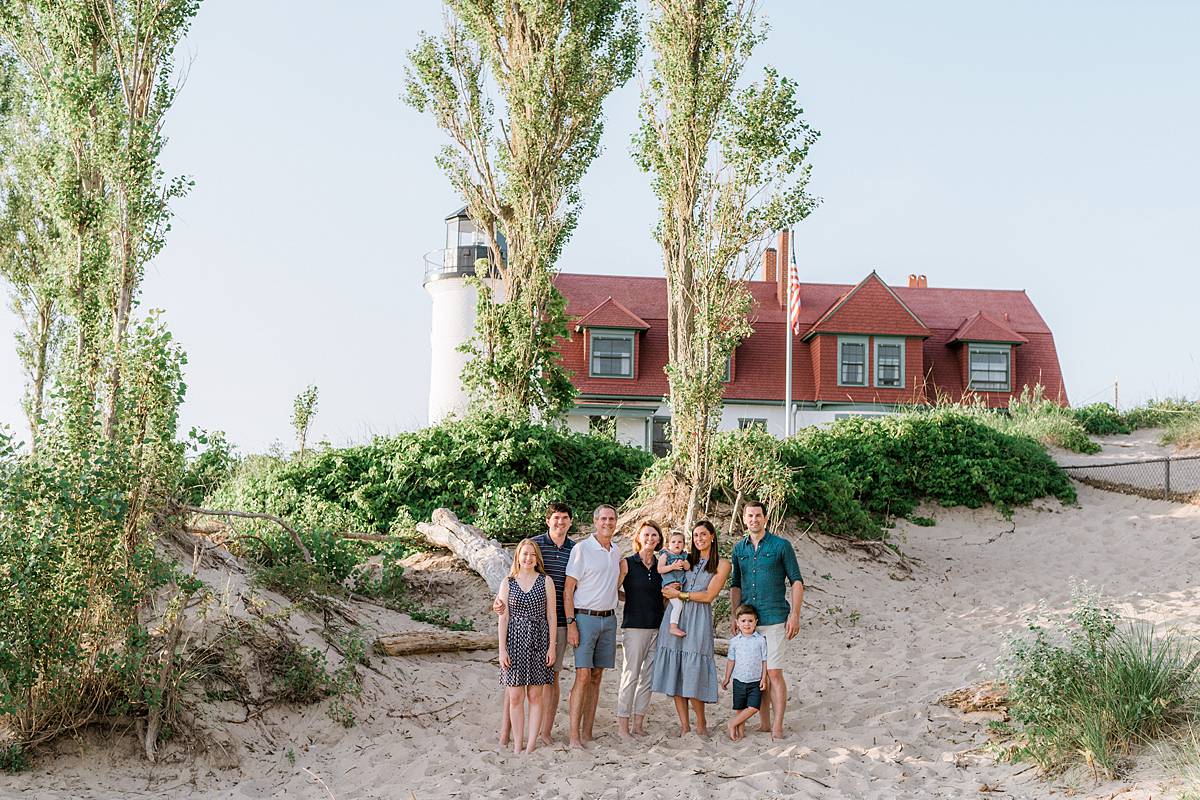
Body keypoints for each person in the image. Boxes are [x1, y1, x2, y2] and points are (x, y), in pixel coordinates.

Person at [495, 502, 575, 747]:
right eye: (555, 518)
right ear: (548, 520)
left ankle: (543, 733)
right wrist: (498, 604)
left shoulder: (576, 549)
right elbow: (505, 605)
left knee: (548, 681)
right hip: (518, 630)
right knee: (514, 688)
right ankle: (506, 734)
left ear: (570, 521)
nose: (560, 522)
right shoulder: (536, 544)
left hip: (553, 624)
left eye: (564, 518)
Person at [728, 499, 804, 740]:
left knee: (773, 673)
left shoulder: (781, 546)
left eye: (758, 515)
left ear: (765, 518)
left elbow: (796, 581)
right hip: (748, 622)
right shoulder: (739, 549)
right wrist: (734, 615)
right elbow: (735, 585)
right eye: (749, 516)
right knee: (753, 675)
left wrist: (795, 614)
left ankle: (778, 726)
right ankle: (763, 723)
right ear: (743, 519)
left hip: (773, 618)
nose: (754, 519)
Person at [651, 519, 731, 737]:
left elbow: (708, 595)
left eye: (703, 534)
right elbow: (667, 578)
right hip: (675, 616)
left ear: (712, 536)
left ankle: (701, 723)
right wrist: (669, 591)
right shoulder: (686, 560)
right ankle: (685, 725)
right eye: (695, 535)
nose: (699, 539)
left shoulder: (722, 564)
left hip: (698, 618)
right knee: (676, 670)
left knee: (693, 669)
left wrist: (680, 594)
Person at [563, 504, 623, 748]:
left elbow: (613, 587)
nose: (608, 523)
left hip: (609, 619)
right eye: (603, 519)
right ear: (595, 521)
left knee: (597, 676)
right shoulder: (582, 549)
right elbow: (568, 590)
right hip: (584, 618)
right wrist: (571, 624)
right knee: (583, 675)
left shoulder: (616, 551)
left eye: (612, 519)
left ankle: (588, 732)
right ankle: (574, 736)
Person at [497, 539, 556, 754]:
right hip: (514, 640)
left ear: (537, 558)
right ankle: (517, 745)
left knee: (535, 696)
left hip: (539, 640)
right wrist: (502, 649)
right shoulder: (507, 582)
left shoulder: (545, 581)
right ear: (518, 557)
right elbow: (503, 618)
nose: (528, 558)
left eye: (532, 554)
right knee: (515, 697)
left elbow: (551, 615)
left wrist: (552, 647)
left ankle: (531, 745)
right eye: (524, 554)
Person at [615, 520, 664, 739]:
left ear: (659, 539)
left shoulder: (662, 565)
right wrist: (630, 599)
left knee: (648, 679)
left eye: (654, 535)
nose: (650, 539)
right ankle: (623, 727)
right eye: (646, 535)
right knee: (630, 675)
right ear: (638, 537)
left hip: (657, 627)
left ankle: (638, 725)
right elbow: (613, 589)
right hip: (634, 627)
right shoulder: (627, 563)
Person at [720, 604, 769, 741]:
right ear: (737, 623)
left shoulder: (760, 640)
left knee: (753, 707)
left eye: (750, 621)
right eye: (743, 621)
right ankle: (740, 734)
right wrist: (727, 678)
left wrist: (763, 678)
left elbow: (764, 661)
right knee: (740, 708)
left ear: (756, 622)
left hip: (755, 681)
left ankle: (732, 723)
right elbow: (731, 661)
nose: (747, 624)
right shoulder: (735, 642)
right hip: (739, 680)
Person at [656, 530, 691, 637]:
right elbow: (660, 569)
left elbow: (688, 568)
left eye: (680, 542)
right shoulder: (665, 555)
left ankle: (677, 625)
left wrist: (684, 563)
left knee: (682, 606)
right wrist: (672, 567)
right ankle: (673, 628)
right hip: (669, 586)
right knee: (678, 605)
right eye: (674, 542)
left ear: (684, 544)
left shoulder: (684, 556)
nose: (677, 544)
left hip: (679, 587)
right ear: (668, 544)